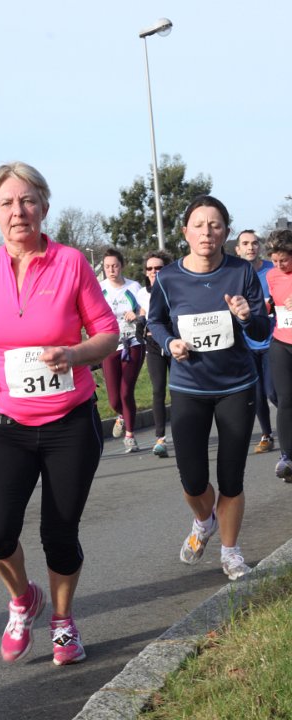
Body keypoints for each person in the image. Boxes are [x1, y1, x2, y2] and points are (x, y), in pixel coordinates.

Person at [0, 162, 119, 666]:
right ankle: (24, 599)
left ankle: (64, 622)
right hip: (8, 424)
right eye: (7, 203)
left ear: (44, 207)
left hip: (70, 424)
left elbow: (108, 333)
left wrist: (74, 354)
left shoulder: (70, 262)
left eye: (27, 200)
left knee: (59, 534)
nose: (18, 211)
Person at [148, 195, 269, 580]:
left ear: (225, 232)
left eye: (215, 225)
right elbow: (156, 322)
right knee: (192, 479)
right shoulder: (168, 279)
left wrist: (247, 317)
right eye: (199, 225)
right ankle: (204, 520)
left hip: (236, 386)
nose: (207, 232)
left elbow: (262, 329)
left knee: (231, 477)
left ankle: (231, 553)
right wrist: (170, 343)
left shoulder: (242, 272)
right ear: (185, 232)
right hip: (189, 388)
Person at [100, 248, 145, 453]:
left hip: (132, 342)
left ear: (122, 266)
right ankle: (121, 415)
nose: (111, 270)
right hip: (109, 345)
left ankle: (130, 436)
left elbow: (144, 309)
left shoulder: (133, 287)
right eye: (107, 266)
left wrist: (137, 315)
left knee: (126, 391)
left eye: (115, 266)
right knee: (114, 399)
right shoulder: (99, 288)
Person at [235, 230, 277, 452]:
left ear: (259, 246)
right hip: (246, 344)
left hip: (273, 340)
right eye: (245, 244)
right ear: (238, 249)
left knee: (273, 392)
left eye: (254, 243)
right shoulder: (235, 275)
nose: (250, 247)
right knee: (257, 394)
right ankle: (267, 435)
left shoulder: (273, 270)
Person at [136, 250, 174, 458]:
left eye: (158, 268)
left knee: (177, 390)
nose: (153, 271)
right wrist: (140, 322)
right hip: (152, 344)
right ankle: (160, 438)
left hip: (174, 342)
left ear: (166, 269)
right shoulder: (143, 293)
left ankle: (183, 431)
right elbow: (143, 311)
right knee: (158, 389)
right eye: (149, 268)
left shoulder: (174, 288)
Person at [265, 229, 292, 481]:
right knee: (283, 398)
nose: (279, 265)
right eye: (274, 260)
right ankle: (287, 457)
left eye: (283, 260)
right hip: (281, 341)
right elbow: (273, 303)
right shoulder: (272, 275)